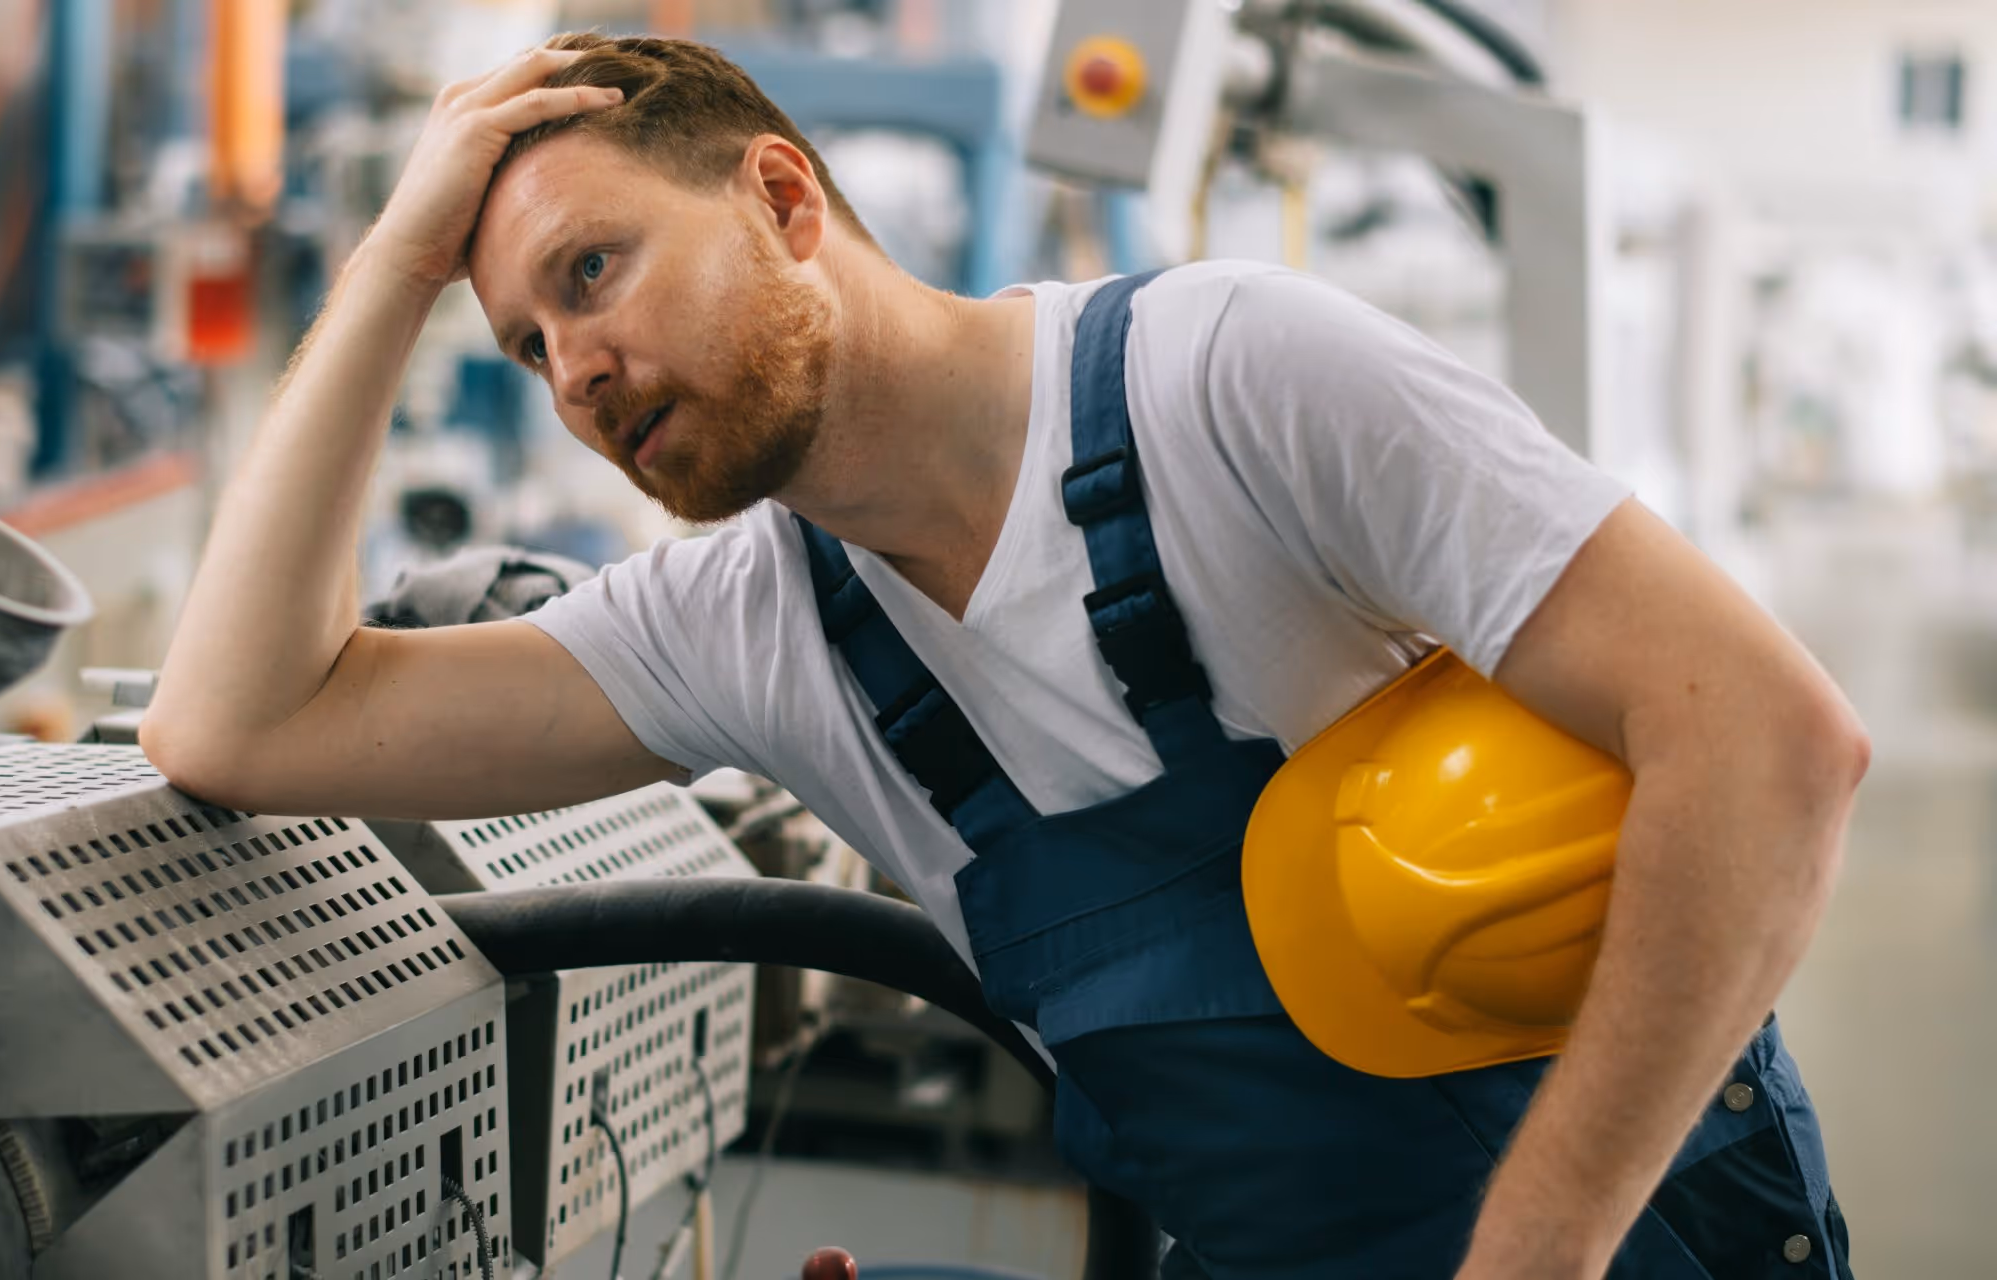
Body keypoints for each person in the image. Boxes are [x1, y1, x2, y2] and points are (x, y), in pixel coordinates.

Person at [144, 33, 1867, 1279]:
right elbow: (238, 724)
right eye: (527, 344)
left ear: (781, 197)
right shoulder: (749, 628)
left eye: (595, 271)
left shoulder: (1230, 383)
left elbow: (1771, 743)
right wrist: (388, 262)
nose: (576, 370)